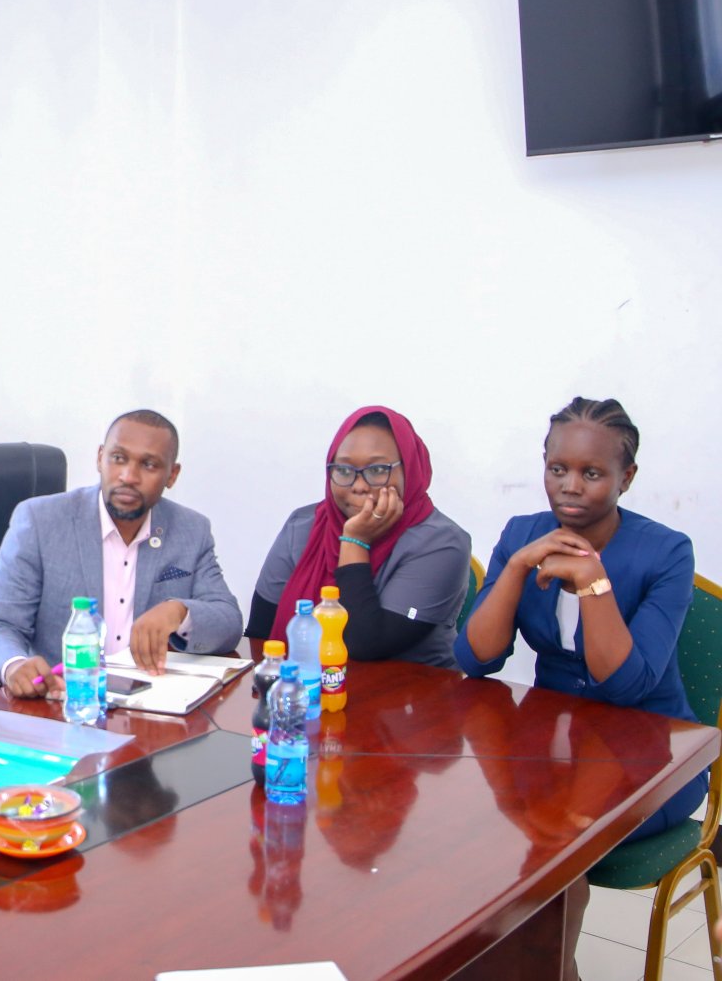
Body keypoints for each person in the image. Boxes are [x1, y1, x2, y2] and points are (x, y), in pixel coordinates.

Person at [456, 397, 702, 981]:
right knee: (473, 829)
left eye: (592, 473)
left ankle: (550, 970)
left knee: (553, 840)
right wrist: (517, 568)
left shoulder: (666, 552)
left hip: (651, 755)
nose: (570, 486)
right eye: (557, 469)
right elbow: (475, 659)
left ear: (626, 477)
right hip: (554, 744)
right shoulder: (523, 533)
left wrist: (594, 582)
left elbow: (628, 687)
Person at [0, 409, 242, 698]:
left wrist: (179, 611)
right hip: (61, 700)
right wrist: (13, 665)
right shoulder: (40, 521)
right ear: (100, 458)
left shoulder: (191, 530)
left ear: (172, 475)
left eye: (149, 465)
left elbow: (229, 622)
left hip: (151, 702)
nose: (129, 476)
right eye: (118, 458)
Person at [245, 406, 472, 668]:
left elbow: (366, 643)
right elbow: (261, 633)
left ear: (410, 468)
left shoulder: (442, 544)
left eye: (377, 470)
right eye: (344, 470)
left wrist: (354, 541)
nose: (359, 485)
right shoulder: (304, 526)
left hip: (411, 690)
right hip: (303, 685)